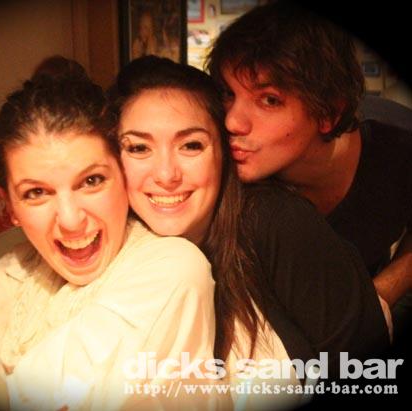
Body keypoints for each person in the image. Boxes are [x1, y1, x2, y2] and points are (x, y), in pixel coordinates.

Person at [0, 67, 217, 410]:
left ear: (123, 178)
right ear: (9, 207)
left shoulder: (173, 269)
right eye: (36, 193)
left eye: (91, 181)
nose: (71, 220)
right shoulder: (18, 271)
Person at [106, 55, 391, 409]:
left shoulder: (273, 221)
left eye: (191, 145)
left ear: (224, 153)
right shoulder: (112, 250)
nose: (166, 175)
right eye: (139, 148)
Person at [206, 0, 412, 340]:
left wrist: (380, 294)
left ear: (327, 113)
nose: (232, 121)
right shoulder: (217, 168)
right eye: (228, 93)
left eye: (269, 100)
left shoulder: (397, 150)